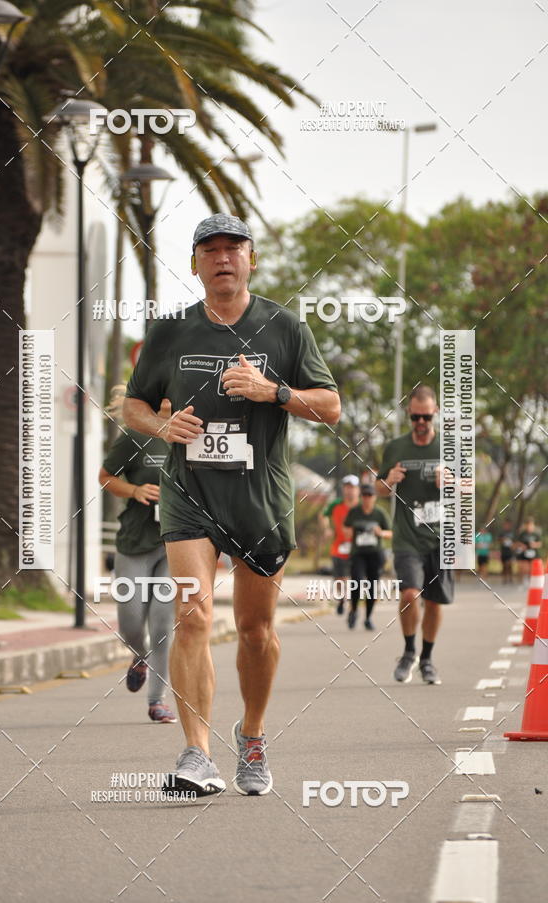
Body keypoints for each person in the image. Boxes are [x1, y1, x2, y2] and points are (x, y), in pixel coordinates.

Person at [122, 213, 340, 797]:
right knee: (192, 613)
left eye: (233, 248)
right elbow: (133, 406)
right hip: (189, 494)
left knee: (255, 631)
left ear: (252, 259)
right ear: (195, 263)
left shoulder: (285, 327)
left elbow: (331, 406)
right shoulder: (170, 331)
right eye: (210, 249)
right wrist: (163, 426)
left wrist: (275, 392)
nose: (222, 258)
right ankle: (196, 752)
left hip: (260, 500)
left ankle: (252, 734)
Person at [99, 387, 177, 723]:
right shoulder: (134, 437)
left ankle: (156, 700)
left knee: (162, 623)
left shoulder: (191, 434)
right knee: (131, 621)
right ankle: (138, 655)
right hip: (134, 541)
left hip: (176, 543)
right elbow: (105, 477)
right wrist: (135, 490)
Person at [375, 385, 454, 686]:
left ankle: (428, 659)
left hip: (439, 538)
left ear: (434, 413)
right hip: (407, 535)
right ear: (409, 413)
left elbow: (467, 488)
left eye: (426, 417)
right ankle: (409, 651)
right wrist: (389, 482)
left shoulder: (448, 447)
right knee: (410, 593)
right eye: (415, 417)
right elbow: (379, 487)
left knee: (434, 603)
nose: (420, 423)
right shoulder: (396, 447)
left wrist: (450, 481)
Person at [343, 483, 392, 630]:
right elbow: (345, 528)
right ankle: (353, 610)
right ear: (361, 497)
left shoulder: (380, 513)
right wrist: (349, 532)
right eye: (364, 495)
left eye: (370, 496)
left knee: (372, 587)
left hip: (375, 554)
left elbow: (390, 533)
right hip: (358, 554)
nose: (367, 498)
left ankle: (368, 617)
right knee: (357, 582)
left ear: (374, 498)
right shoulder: (354, 512)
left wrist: (380, 533)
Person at [321, 475, 360, 614]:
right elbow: (324, 514)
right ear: (343, 489)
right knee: (340, 578)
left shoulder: (362, 506)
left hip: (359, 548)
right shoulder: (336, 504)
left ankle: (353, 607)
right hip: (339, 546)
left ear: (358, 490)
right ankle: (342, 599)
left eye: (352, 487)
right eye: (347, 487)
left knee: (357, 577)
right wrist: (327, 529)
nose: (349, 491)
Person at [499, 518, 515, 584]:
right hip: (504, 551)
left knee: (510, 565)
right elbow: (499, 540)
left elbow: (515, 541)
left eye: (508, 525)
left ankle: (510, 578)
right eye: (505, 525)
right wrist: (503, 539)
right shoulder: (501, 533)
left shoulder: (512, 533)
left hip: (510, 552)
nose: (507, 526)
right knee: (504, 566)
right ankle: (504, 579)